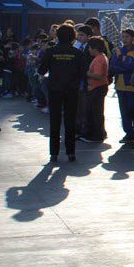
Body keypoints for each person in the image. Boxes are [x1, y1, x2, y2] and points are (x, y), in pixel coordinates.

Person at [37, 23, 83, 163]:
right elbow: (82, 73)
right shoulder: (77, 53)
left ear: (58, 36)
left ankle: (54, 153)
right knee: (70, 121)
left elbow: (41, 71)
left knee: (55, 121)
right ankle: (71, 153)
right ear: (73, 37)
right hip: (72, 90)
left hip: (55, 89)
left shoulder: (50, 52)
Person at [109, 29, 134, 144]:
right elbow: (113, 66)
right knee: (124, 111)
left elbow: (132, 66)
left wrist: (121, 64)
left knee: (132, 110)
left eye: (127, 37)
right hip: (119, 86)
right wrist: (125, 65)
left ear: (133, 38)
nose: (124, 39)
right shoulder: (117, 51)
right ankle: (128, 133)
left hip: (131, 86)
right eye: (123, 37)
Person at [82, 37, 109, 143]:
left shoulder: (98, 59)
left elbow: (98, 75)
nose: (89, 50)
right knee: (97, 112)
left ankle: (97, 135)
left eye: (90, 48)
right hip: (99, 87)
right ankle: (99, 133)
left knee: (95, 113)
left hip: (97, 87)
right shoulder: (102, 57)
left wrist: (87, 73)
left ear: (94, 48)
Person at [74, 24, 93, 139]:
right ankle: (78, 128)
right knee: (78, 107)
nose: (79, 37)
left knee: (84, 107)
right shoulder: (78, 46)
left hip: (86, 80)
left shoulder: (90, 48)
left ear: (88, 36)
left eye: (82, 35)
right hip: (78, 81)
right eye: (78, 35)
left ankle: (84, 129)